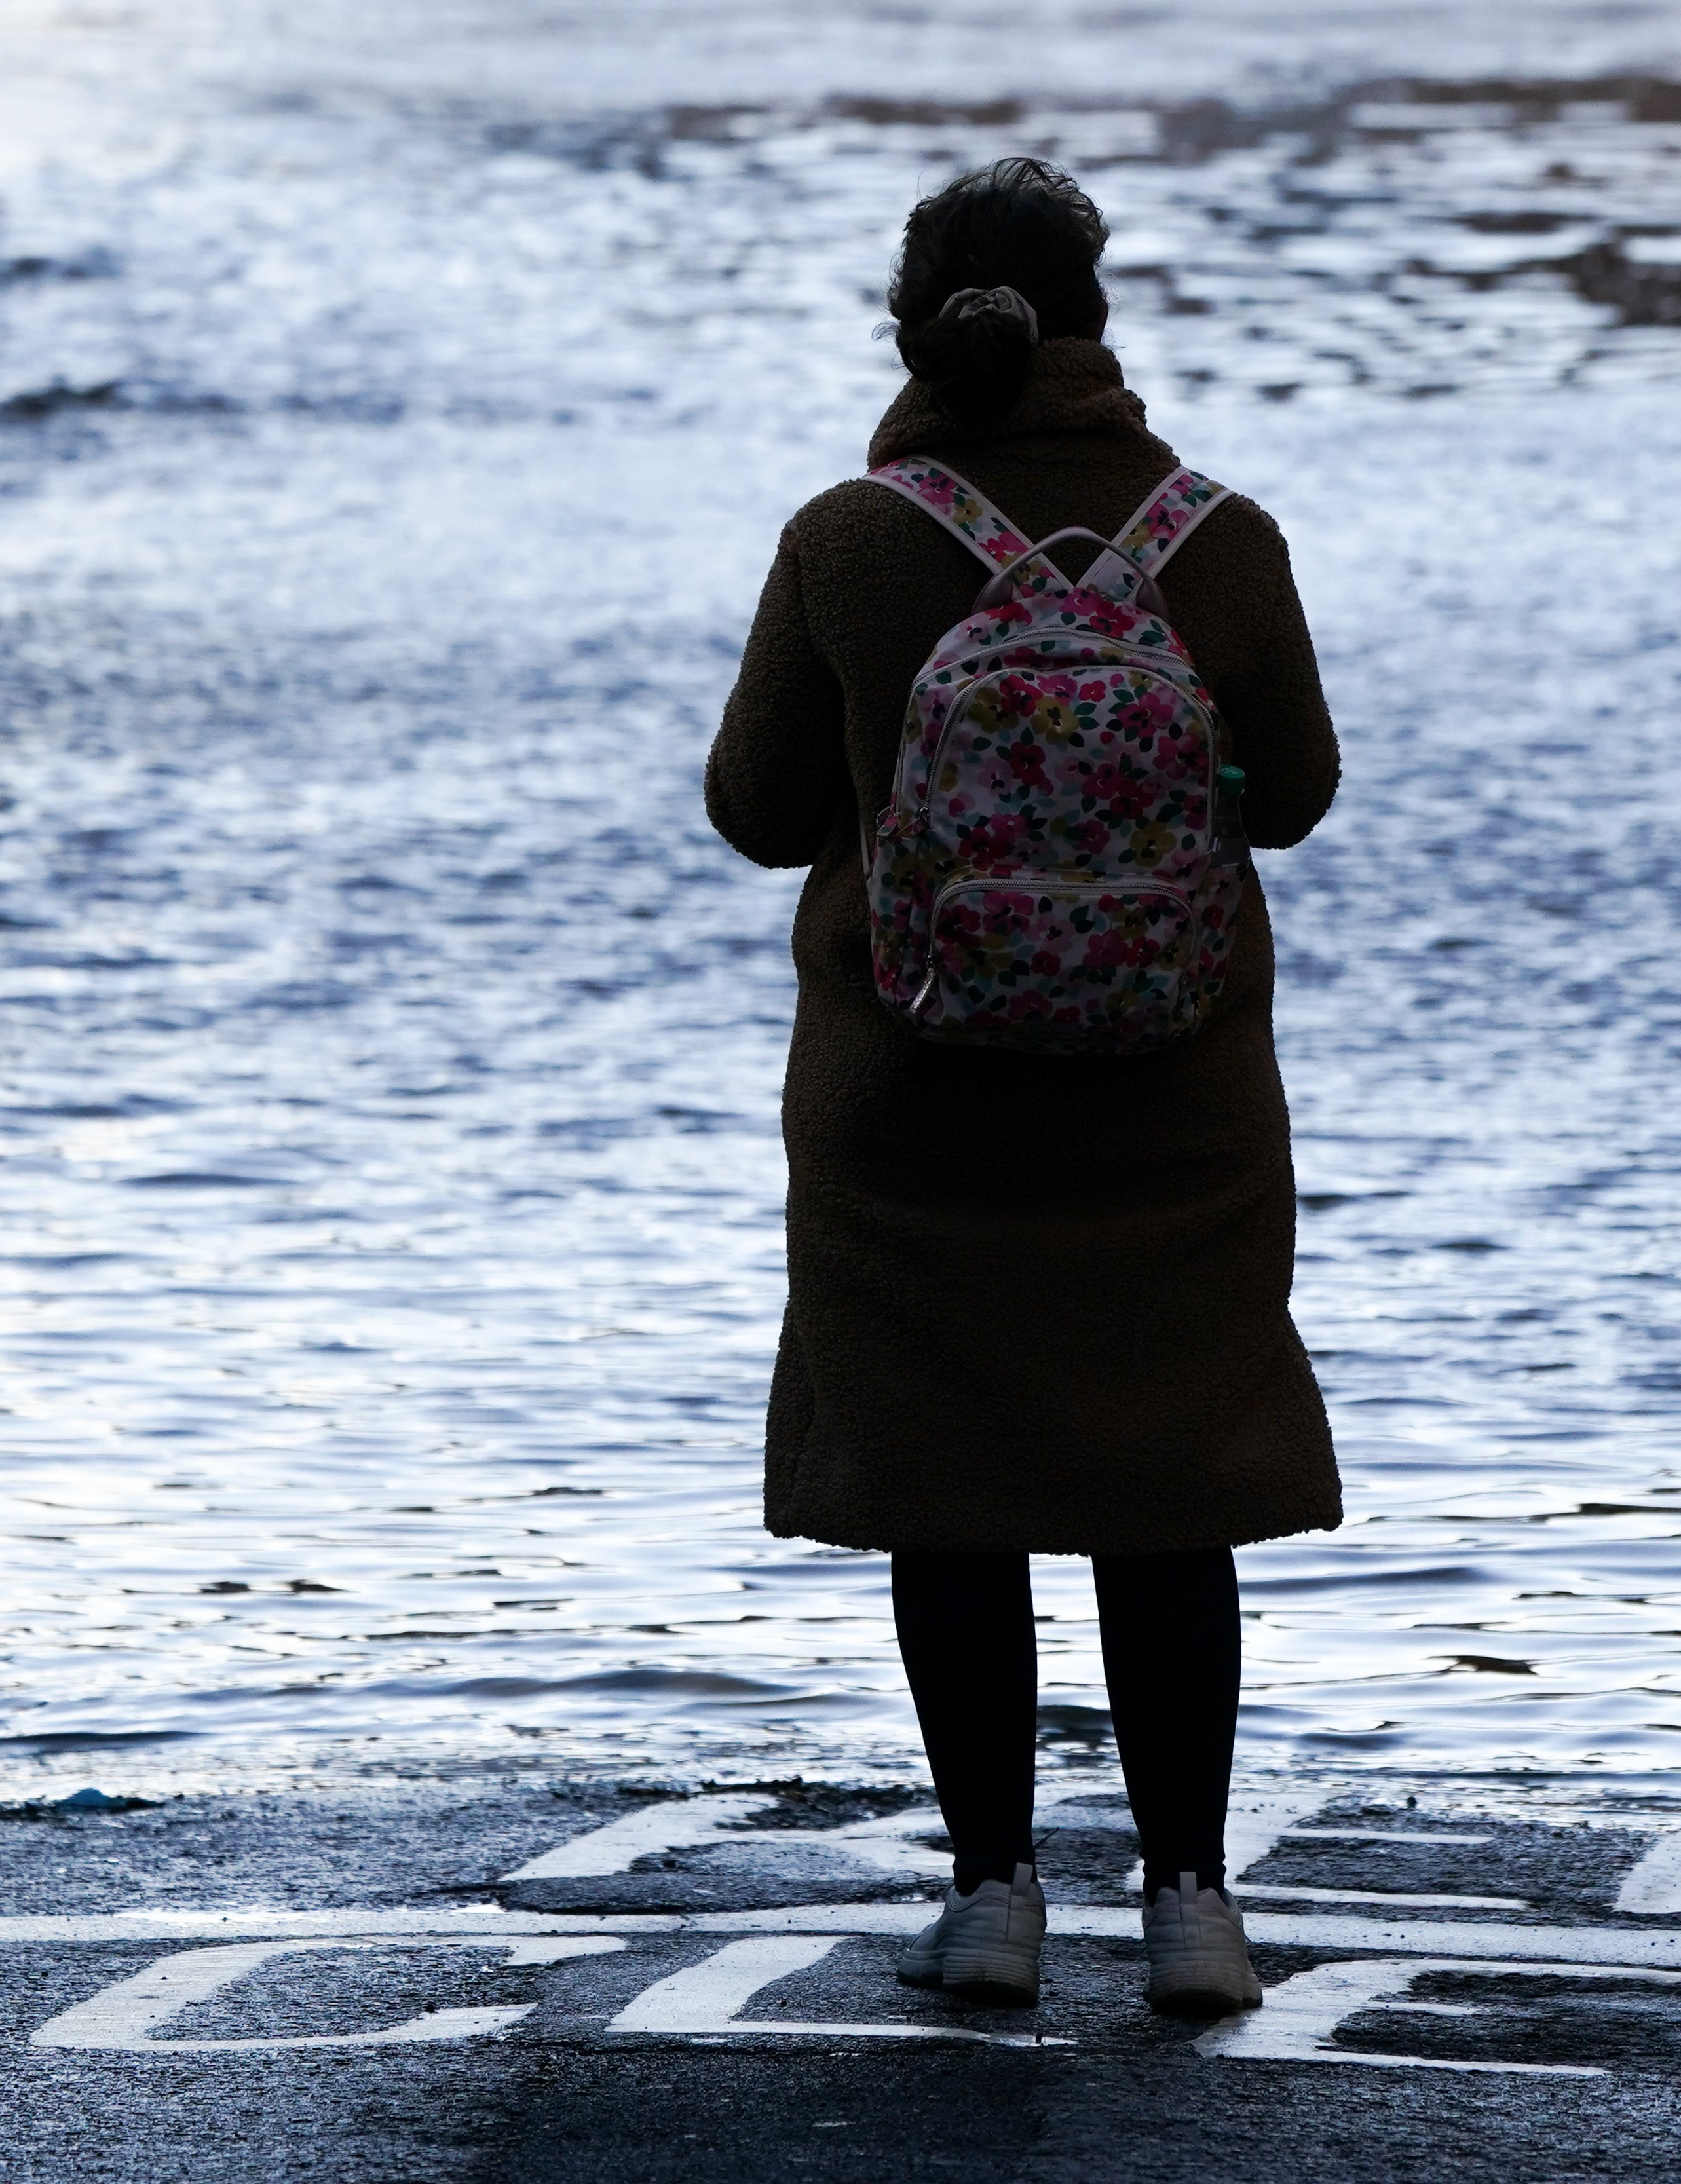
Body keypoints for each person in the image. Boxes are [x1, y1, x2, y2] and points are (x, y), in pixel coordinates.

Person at [703, 157, 1345, 2017]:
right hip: (1172, 1099)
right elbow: (1293, 800)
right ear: (1098, 318)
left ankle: (991, 1898)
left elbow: (754, 816)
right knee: (1174, 1488)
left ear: (913, 327)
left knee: (948, 1482)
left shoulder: (849, 537)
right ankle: (1192, 1902)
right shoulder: (1221, 539)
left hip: (913, 1096)